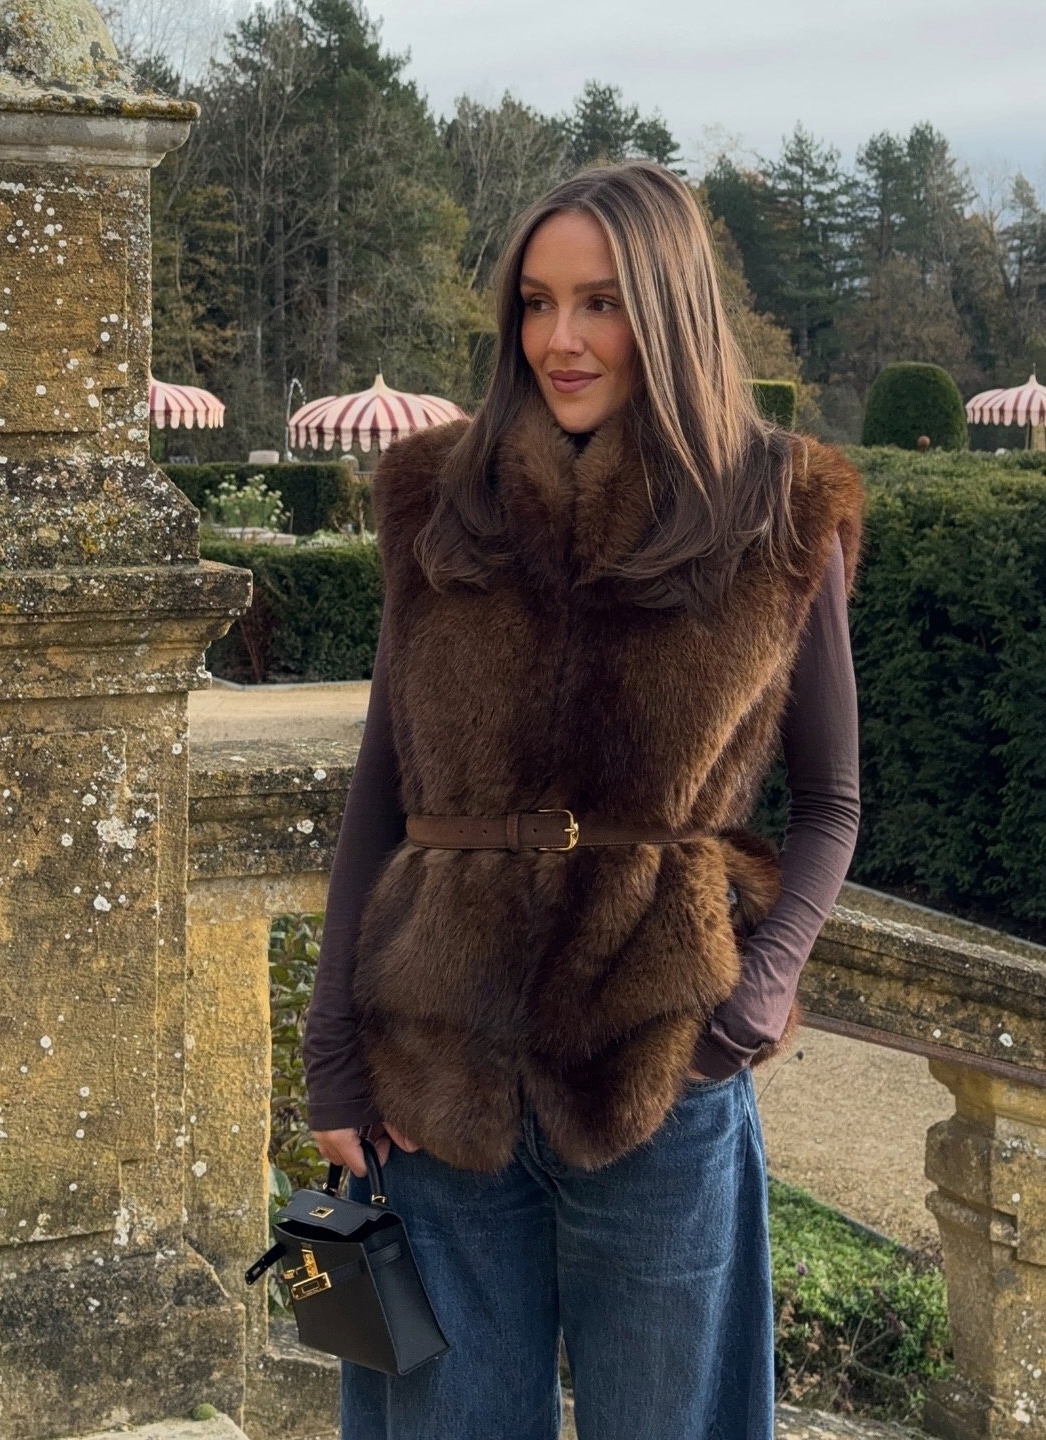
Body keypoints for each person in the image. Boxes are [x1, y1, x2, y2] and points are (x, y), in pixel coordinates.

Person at [303, 161, 863, 1440]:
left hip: (660, 1062)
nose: (561, 338)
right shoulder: (437, 498)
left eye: (601, 302)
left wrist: (751, 1000)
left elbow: (832, 802)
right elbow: (379, 801)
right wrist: (333, 1056)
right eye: (538, 303)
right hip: (435, 1064)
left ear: (669, 309)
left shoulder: (778, 508)